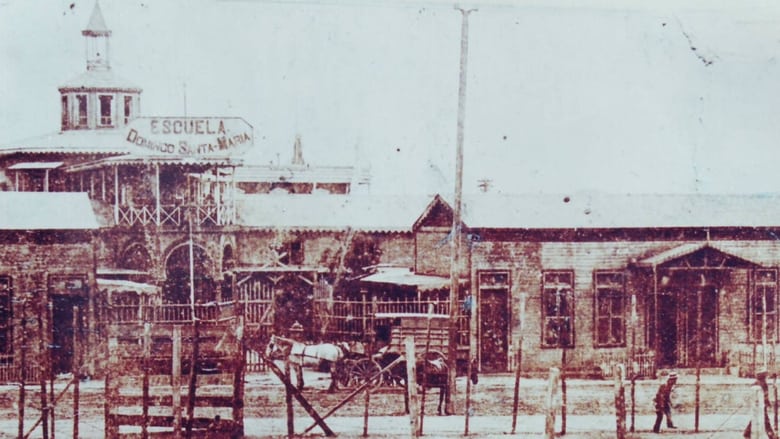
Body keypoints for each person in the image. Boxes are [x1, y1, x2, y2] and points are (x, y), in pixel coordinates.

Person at [744, 370, 777, 439]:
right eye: (765, 375)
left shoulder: (761, 383)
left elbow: (765, 395)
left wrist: (767, 402)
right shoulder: (760, 384)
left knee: (759, 418)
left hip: (761, 405)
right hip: (759, 405)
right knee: (765, 419)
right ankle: (771, 435)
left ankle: (747, 432)